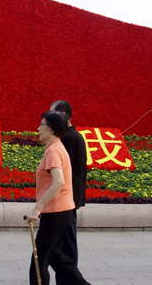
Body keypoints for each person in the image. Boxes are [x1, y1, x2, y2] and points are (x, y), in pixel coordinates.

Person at [26, 110, 90, 285]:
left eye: (42, 125)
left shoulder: (53, 151)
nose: (38, 129)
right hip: (61, 210)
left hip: (56, 212)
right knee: (57, 259)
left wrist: (37, 207)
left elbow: (58, 182)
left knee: (38, 263)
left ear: (52, 129)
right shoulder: (57, 147)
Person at [50, 100, 87, 285]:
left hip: (67, 198)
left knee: (66, 245)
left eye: (52, 114)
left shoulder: (68, 138)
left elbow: (63, 173)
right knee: (65, 243)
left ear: (63, 114)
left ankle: (70, 280)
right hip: (70, 197)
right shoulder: (73, 136)